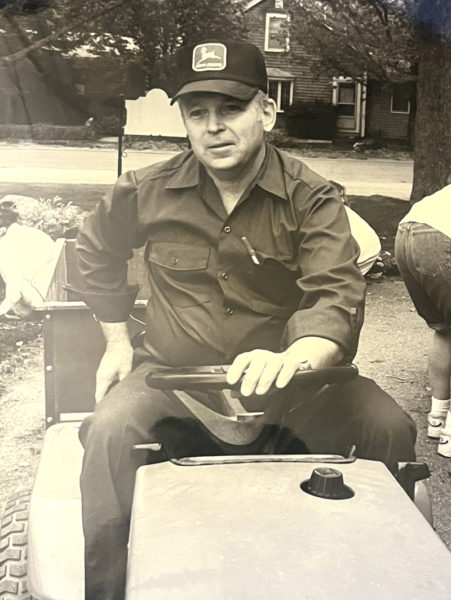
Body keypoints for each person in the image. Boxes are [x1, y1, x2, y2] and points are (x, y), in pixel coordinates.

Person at [75, 40, 417, 600]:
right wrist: (117, 340)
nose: (213, 127)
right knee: (108, 435)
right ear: (183, 119)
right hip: (174, 386)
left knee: (390, 428)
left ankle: (385, 582)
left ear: (266, 110)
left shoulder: (312, 198)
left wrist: (290, 357)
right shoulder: (145, 190)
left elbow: (336, 293)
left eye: (230, 109)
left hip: (297, 392)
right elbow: (94, 253)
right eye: (197, 112)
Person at [395, 178, 451, 455]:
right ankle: (450, 436)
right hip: (442, 238)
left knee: (445, 330)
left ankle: (438, 417)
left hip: (409, 229)